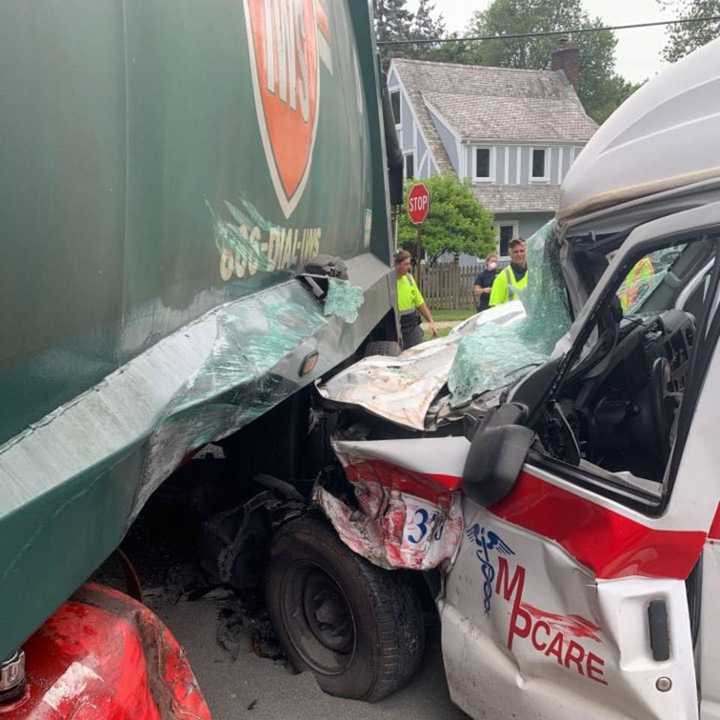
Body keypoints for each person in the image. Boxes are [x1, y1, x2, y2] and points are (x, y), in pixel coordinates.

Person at [394, 249, 438, 349]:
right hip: (395, 327)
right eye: (406, 264)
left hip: (411, 326)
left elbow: (420, 303)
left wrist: (431, 321)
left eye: (409, 264)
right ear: (397, 264)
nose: (409, 267)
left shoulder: (409, 278)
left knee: (417, 351)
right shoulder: (389, 282)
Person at [489, 238, 528, 307]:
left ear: (526, 252)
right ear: (510, 254)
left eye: (522, 251)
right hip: (512, 317)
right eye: (515, 252)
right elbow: (494, 306)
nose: (519, 254)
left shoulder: (533, 273)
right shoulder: (502, 277)